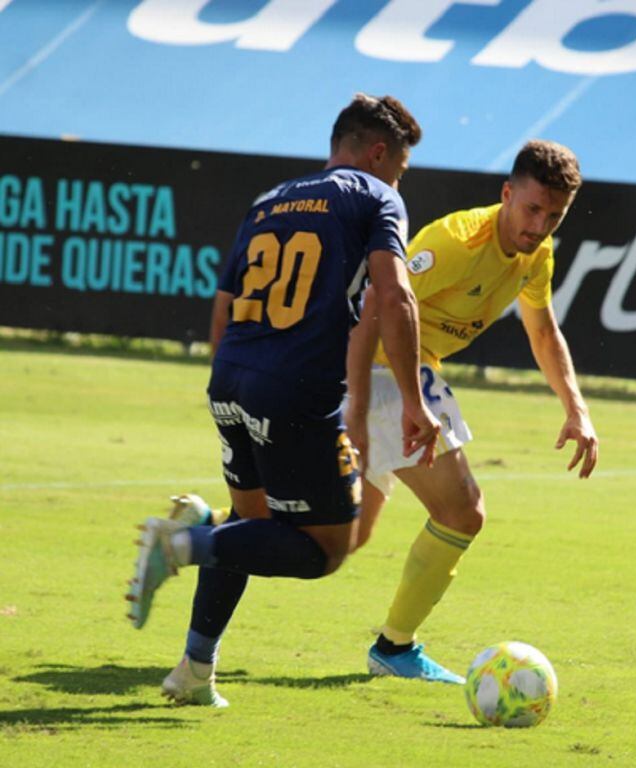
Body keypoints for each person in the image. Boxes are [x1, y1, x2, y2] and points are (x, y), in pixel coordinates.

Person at [126, 93, 439, 708]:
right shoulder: (377, 197)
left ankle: (194, 669)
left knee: (253, 527)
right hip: (295, 389)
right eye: (399, 169)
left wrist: (232, 381)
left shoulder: (270, 200)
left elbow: (223, 302)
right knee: (326, 547)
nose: (399, 180)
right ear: (379, 153)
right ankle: (182, 543)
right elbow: (395, 295)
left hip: (233, 378)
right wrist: (413, 400)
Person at [354, 139, 599, 683]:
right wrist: (390, 399)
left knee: (337, 537)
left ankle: (202, 534)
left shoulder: (538, 253)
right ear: (507, 194)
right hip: (378, 370)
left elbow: (542, 329)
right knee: (463, 512)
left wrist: (575, 408)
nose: (539, 225)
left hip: (401, 375)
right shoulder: (456, 243)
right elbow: (376, 304)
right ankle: (394, 648)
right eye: (532, 209)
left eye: (554, 216)